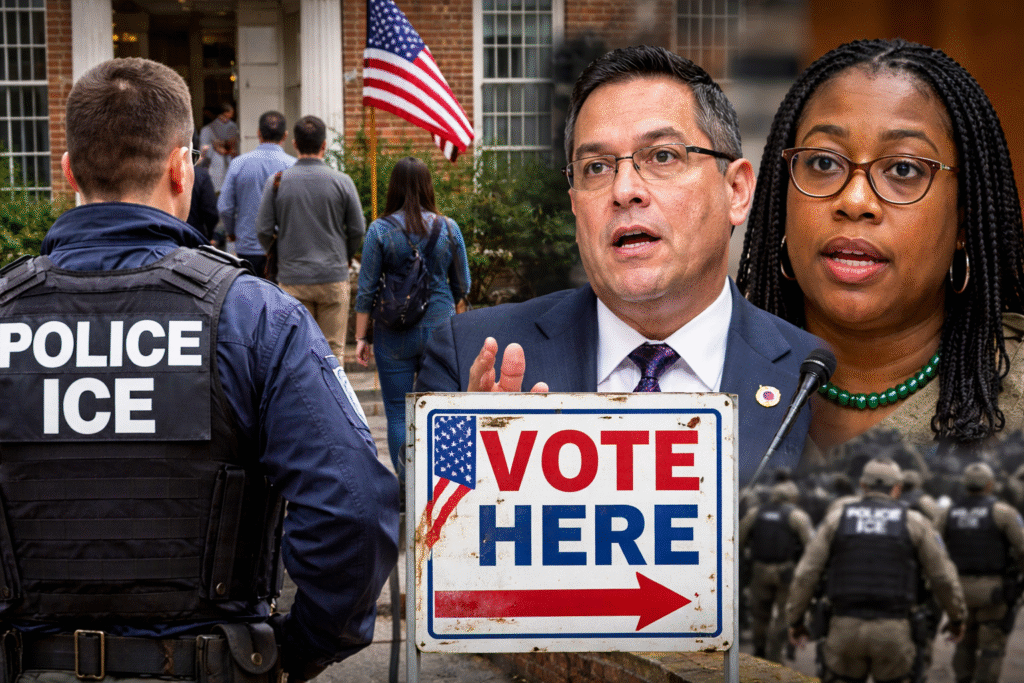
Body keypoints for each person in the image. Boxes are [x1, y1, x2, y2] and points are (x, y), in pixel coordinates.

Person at [0, 58, 398, 682]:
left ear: (69, 170)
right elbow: (353, 507)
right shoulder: (255, 316)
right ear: (183, 167)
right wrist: (297, 650)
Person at [415, 45, 824, 485]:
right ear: (575, 207)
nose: (624, 189)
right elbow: (430, 537)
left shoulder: (814, 378)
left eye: (663, 156)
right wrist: (476, 478)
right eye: (596, 167)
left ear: (737, 191)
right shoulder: (468, 360)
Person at [736, 38, 1024, 461]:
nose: (855, 201)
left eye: (904, 169)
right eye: (823, 163)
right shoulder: (701, 382)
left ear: (964, 218)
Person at [786, 458, 966, 683]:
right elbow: (942, 578)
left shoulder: (836, 519)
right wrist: (956, 618)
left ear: (863, 486)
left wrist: (796, 621)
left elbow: (806, 575)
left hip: (843, 630)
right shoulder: (915, 523)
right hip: (895, 632)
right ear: (897, 488)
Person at [353, 156, 470, 482]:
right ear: (427, 186)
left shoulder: (379, 230)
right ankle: (443, 483)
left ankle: (407, 489)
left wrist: (362, 337)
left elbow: (366, 290)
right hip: (441, 329)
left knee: (397, 412)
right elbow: (464, 285)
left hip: (394, 332)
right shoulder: (449, 228)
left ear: (394, 188)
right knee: (443, 409)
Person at [256, 115, 365, 358]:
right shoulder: (342, 182)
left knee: (297, 351)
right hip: (333, 276)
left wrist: (278, 252)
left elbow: (263, 229)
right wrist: (344, 257)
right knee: (333, 351)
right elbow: (357, 229)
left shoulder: (277, 182)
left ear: (294, 143)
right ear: (324, 145)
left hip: (293, 277)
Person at [938, 462, 1024, 683]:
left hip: (959, 592)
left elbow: (935, 549)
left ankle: (963, 678)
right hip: (993, 593)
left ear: (964, 484)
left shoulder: (949, 512)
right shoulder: (1003, 512)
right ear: (990, 484)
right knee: (991, 649)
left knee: (964, 644)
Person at [738, 480, 814, 662]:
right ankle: (775, 654)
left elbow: (739, 539)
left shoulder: (755, 513)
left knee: (759, 614)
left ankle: (759, 649)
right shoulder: (796, 516)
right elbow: (811, 545)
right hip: (785, 571)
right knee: (783, 614)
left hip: (759, 569)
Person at [220, 110, 295, 277]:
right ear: (285, 135)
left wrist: (232, 232)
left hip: (247, 245)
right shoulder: (294, 167)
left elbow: (225, 207)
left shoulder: (238, 164)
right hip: (284, 248)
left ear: (258, 134)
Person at [198, 102, 239, 193]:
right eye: (226, 116)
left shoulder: (233, 126)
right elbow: (203, 148)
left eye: (230, 116)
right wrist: (214, 147)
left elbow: (235, 143)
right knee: (216, 188)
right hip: (214, 161)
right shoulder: (207, 129)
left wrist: (228, 146)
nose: (228, 118)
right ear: (220, 114)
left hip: (230, 159)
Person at [187, 163, 218, 241]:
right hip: (195, 234)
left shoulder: (162, 172)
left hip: (165, 235)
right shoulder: (201, 175)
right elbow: (210, 210)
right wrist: (210, 234)